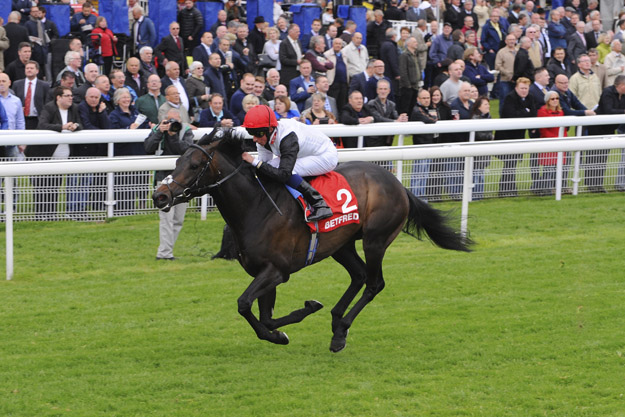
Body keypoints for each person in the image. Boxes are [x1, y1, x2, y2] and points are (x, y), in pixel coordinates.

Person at [241, 104, 337, 224]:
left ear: (270, 129)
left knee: (281, 169)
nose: (255, 139)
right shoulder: (265, 136)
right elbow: (263, 166)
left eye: (258, 134)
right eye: (251, 133)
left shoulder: (288, 138)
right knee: (268, 167)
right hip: (304, 153)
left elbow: (283, 174)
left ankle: (320, 204)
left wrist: (253, 161)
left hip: (325, 155)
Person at [144, 109, 194, 260]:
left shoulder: (185, 130)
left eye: (175, 121)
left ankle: (167, 251)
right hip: (163, 179)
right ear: (164, 120)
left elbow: (185, 151)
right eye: (170, 121)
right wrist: (159, 132)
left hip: (182, 179)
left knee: (178, 219)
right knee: (166, 217)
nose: (173, 124)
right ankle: (164, 254)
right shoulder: (157, 129)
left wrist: (172, 136)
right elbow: (148, 148)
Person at [27, 86, 81, 220]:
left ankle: (52, 216)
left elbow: (80, 123)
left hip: (62, 154)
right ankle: (40, 216)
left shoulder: (73, 108)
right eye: (67, 96)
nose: (71, 98)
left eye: (71, 95)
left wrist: (75, 127)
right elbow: (42, 125)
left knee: (55, 186)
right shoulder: (49, 108)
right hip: (44, 154)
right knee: (42, 187)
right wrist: (62, 127)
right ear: (59, 97)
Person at [495, 77, 538, 197]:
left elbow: (533, 113)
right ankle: (506, 189)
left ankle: (509, 188)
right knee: (509, 163)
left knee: (512, 164)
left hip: (518, 135)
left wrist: (524, 112)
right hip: (507, 136)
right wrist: (526, 111)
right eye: (522, 88)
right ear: (516, 88)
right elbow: (511, 114)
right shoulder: (510, 97)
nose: (524, 91)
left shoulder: (530, 97)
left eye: (526, 88)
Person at [76, 86, 110, 213]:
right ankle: (81, 206)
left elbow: (107, 126)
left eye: (97, 97)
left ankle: (97, 204)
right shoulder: (82, 107)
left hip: (99, 149)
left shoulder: (101, 108)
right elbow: (86, 125)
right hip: (85, 149)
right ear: (86, 97)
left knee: (100, 179)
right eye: (92, 97)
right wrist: (102, 133)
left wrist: (102, 113)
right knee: (85, 181)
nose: (94, 100)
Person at [534, 90, 566, 195]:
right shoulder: (542, 111)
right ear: (548, 100)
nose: (555, 101)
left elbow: (563, 128)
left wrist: (564, 139)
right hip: (549, 143)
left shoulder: (561, 111)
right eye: (552, 99)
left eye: (557, 98)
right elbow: (543, 129)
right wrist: (554, 138)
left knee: (556, 168)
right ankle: (542, 188)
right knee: (549, 168)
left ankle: (541, 187)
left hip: (559, 142)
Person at [366, 79, 408, 146]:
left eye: (385, 89)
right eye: (381, 89)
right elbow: (378, 118)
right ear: (377, 90)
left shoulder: (392, 104)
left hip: (387, 139)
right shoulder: (371, 104)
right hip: (375, 139)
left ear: (389, 91)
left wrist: (402, 118)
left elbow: (396, 117)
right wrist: (395, 121)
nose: (383, 91)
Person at [13, 60, 50, 130]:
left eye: (31, 68)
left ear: (37, 71)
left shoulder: (44, 85)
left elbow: (47, 103)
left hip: (37, 119)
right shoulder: (17, 84)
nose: (29, 70)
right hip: (22, 119)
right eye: (27, 68)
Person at [470, 96, 493, 200]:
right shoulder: (476, 118)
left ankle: (480, 195)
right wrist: (490, 137)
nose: (488, 106)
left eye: (488, 104)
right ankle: (475, 195)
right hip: (477, 151)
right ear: (479, 107)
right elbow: (478, 135)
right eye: (485, 104)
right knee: (476, 174)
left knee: (481, 173)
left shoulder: (488, 117)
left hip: (484, 150)